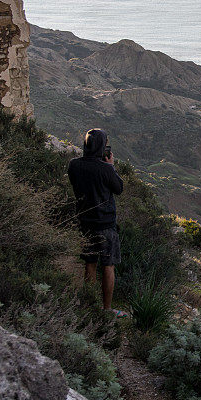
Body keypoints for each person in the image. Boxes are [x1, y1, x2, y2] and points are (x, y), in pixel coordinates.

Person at [67, 128, 126, 317]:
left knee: (90, 264)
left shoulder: (74, 165)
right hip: (106, 223)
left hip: (85, 222)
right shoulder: (105, 169)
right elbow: (119, 188)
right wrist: (111, 167)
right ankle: (107, 309)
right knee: (108, 266)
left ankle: (89, 306)